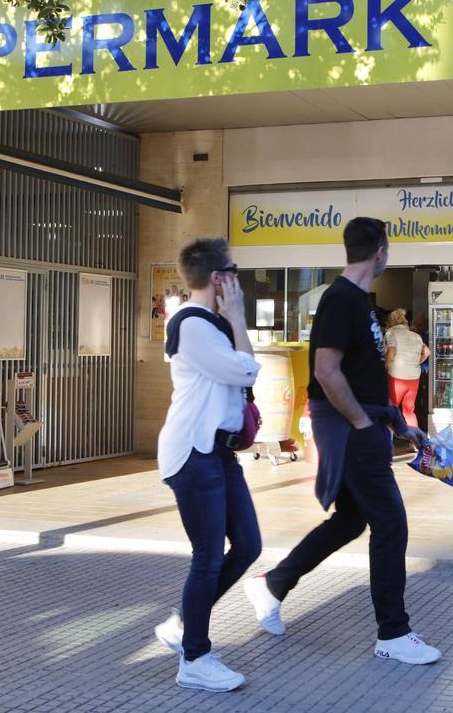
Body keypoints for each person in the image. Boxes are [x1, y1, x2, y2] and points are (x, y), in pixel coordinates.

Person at [243, 217, 442, 666]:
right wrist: (364, 425)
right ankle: (393, 633)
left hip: (367, 427)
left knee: (353, 521)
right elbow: (326, 372)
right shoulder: (340, 301)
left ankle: (273, 584)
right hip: (354, 434)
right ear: (380, 251)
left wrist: (396, 421)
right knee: (391, 524)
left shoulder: (358, 304)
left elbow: (363, 378)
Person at [153, 237, 263, 693]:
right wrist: (238, 317)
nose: (238, 282)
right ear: (218, 279)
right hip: (194, 454)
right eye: (233, 273)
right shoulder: (193, 325)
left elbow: (243, 369)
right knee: (207, 556)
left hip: (216, 452)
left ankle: (184, 624)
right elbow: (248, 371)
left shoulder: (207, 324)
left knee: (249, 545)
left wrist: (233, 321)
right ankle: (194, 658)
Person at [384, 308, 429, 429]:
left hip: (397, 377)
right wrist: (416, 362)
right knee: (409, 411)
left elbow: (391, 351)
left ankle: (387, 444)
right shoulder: (416, 336)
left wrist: (383, 367)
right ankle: (414, 443)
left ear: (392, 321)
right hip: (414, 378)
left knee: (391, 409)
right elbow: (427, 352)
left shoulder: (391, 333)